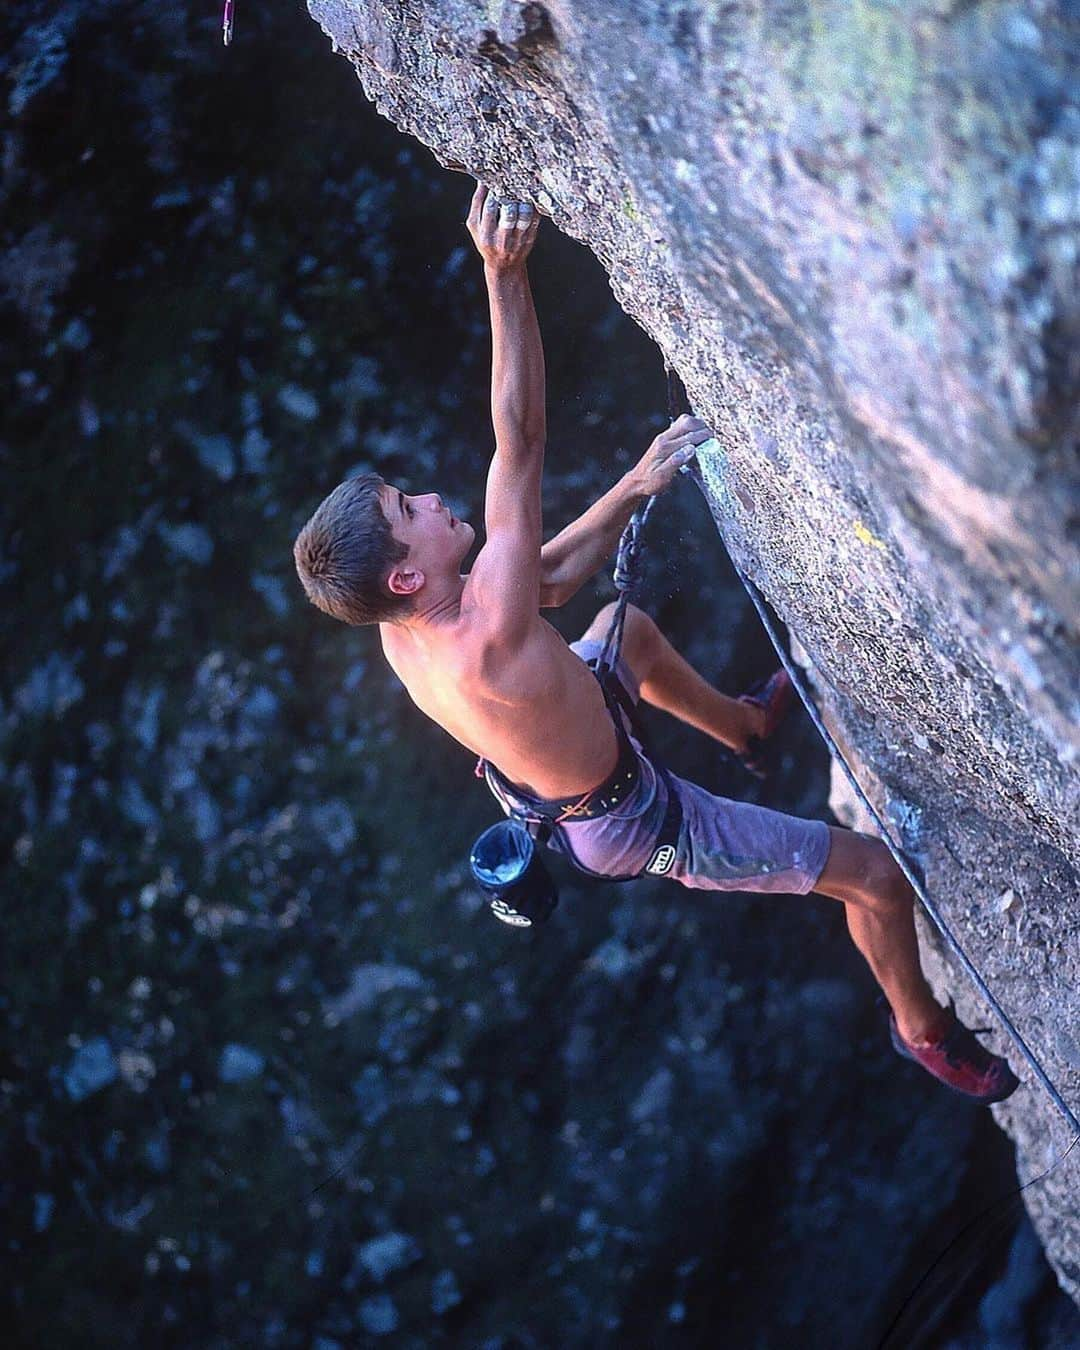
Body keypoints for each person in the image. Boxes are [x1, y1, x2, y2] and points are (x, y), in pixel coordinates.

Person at [293, 182, 1019, 1106]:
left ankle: (746, 731)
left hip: (574, 753)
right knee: (875, 877)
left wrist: (636, 485)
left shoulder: (408, 635)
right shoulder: (478, 639)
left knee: (619, 631)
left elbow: (547, 582)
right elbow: (518, 441)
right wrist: (504, 276)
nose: (432, 499)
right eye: (412, 511)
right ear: (405, 576)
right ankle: (922, 1033)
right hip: (638, 820)